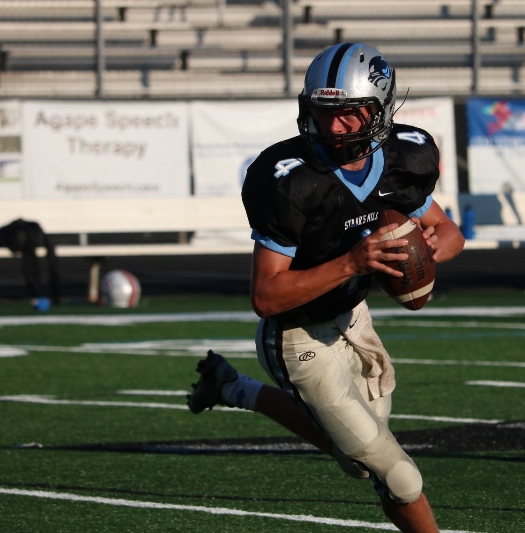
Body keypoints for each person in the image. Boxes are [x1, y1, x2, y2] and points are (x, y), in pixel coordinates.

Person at [186, 43, 464, 533]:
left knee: (357, 459)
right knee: (396, 475)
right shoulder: (289, 179)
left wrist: (435, 248)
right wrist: (352, 261)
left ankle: (232, 387)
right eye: (322, 112)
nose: (333, 127)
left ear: (378, 110)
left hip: (353, 320)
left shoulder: (405, 154)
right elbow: (266, 297)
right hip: (296, 335)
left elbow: (449, 231)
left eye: (348, 115)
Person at [0, 218, 60, 309]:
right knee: (31, 259)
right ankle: (40, 295)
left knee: (31, 260)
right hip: (25, 242)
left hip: (25, 243)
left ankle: (40, 295)